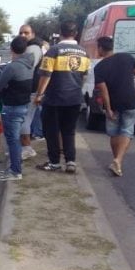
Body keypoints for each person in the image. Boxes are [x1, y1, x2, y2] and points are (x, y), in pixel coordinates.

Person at [34, 21, 91, 173]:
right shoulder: (84, 52)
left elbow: (45, 75)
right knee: (69, 131)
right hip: (74, 97)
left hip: (54, 98)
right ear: (76, 33)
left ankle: (54, 162)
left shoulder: (54, 51)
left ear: (60, 32)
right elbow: (84, 76)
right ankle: (70, 161)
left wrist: (39, 95)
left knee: (52, 131)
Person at [94, 36, 135, 177]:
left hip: (114, 104)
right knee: (127, 131)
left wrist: (108, 108)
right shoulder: (127, 57)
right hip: (130, 101)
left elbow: (104, 91)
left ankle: (117, 161)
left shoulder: (100, 67)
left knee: (114, 132)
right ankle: (118, 162)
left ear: (101, 49)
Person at [0, 36, 33, 182]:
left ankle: (15, 171)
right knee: (14, 139)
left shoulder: (12, 67)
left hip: (12, 107)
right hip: (23, 105)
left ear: (11, 49)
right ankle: (15, 168)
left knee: (13, 140)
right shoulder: (29, 64)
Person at [17, 25, 44, 161]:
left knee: (24, 119)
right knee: (25, 119)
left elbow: (25, 69)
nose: (23, 35)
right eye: (21, 33)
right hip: (31, 89)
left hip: (31, 89)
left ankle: (27, 148)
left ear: (32, 34)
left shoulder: (32, 49)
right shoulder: (31, 48)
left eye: (26, 33)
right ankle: (23, 148)